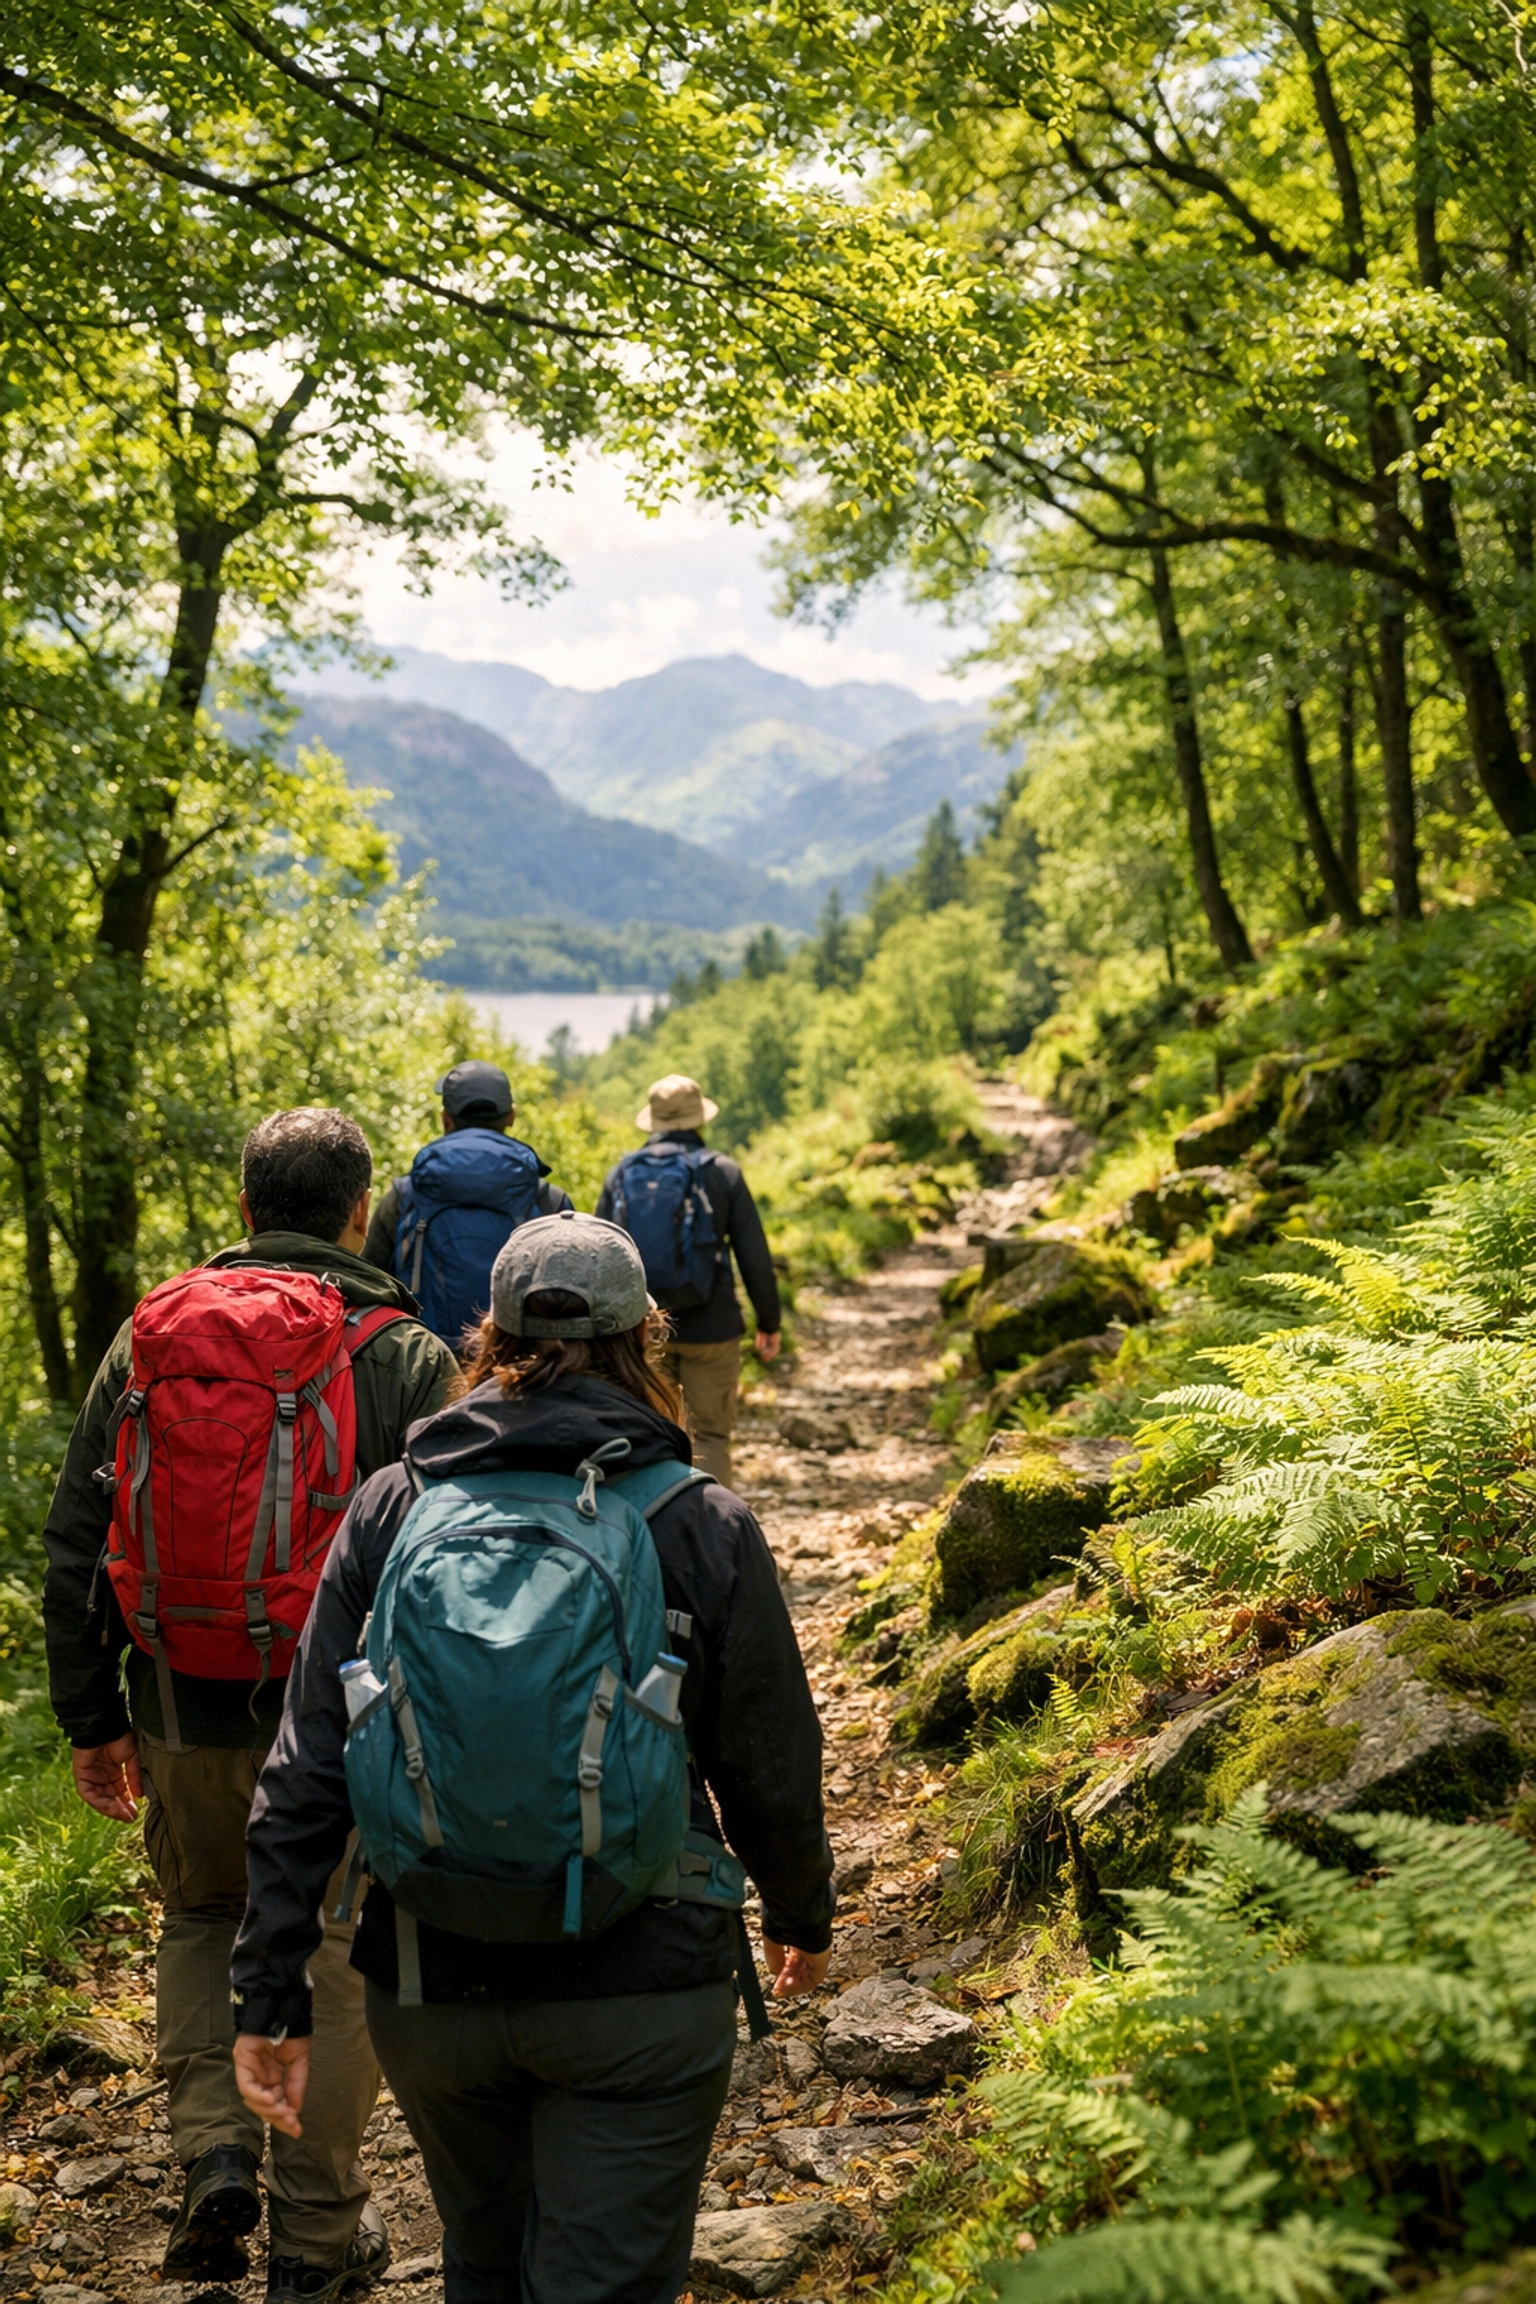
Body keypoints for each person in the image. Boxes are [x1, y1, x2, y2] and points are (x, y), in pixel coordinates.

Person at [231, 1212, 834, 2304]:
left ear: (489, 1340)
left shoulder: (393, 1505)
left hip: (431, 1981)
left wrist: (270, 1989)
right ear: (645, 1336)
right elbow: (770, 1756)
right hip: (641, 1989)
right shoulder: (701, 1518)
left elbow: (308, 1762)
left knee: (485, 2262)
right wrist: (800, 1914)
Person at [43, 1107, 459, 2299]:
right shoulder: (402, 1353)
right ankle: (314, 2240)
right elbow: (448, 1557)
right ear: (360, 1212)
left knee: (201, 1916)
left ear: (243, 1210)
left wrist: (92, 1717)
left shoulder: (147, 1339)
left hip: (177, 1700)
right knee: (333, 1945)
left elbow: (79, 1540)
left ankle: (213, 2150)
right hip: (339, 1718)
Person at [596, 1073, 781, 1487]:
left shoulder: (621, 1175)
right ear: (700, 1119)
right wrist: (769, 1322)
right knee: (711, 1436)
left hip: (639, 1329)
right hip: (712, 1327)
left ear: (654, 1120)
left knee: (644, 1436)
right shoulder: (723, 1173)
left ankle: (651, 1537)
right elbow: (754, 1256)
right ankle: (712, 1539)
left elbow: (602, 1255)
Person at [365, 1060, 574, 1353]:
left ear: (445, 1119)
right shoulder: (548, 1200)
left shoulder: (406, 1195)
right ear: (511, 1116)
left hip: (424, 1364)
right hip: (522, 1370)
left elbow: (370, 1281)